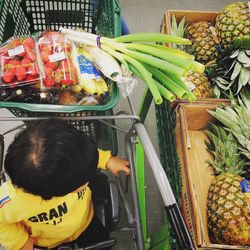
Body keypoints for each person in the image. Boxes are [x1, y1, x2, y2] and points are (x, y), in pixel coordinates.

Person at [0, 118, 130, 250]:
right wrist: (20, 241)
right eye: (82, 182)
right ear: (50, 192)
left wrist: (106, 160)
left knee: (102, 244)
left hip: (85, 221)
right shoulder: (13, 200)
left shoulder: (69, 166)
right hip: (45, 241)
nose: (88, 181)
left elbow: (81, 156)